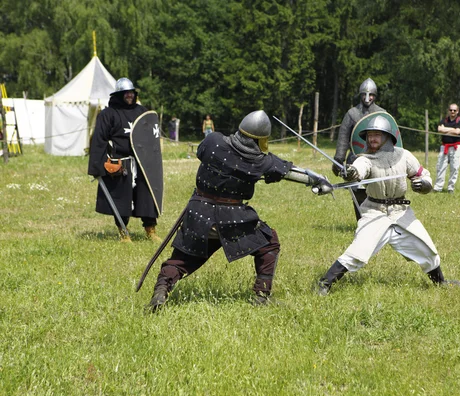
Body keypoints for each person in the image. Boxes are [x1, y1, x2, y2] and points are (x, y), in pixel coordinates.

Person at [147, 110, 332, 311]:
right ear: (260, 139)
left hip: (198, 212)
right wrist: (318, 181)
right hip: (232, 220)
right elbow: (289, 172)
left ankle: (161, 290)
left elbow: (202, 152)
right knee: (270, 244)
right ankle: (261, 296)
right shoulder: (260, 161)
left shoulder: (213, 141)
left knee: (182, 259)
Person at [317, 115, 460, 295]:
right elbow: (359, 170)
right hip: (375, 211)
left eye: (377, 134)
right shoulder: (366, 159)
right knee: (358, 251)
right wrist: (351, 173)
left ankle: (441, 282)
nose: (372, 139)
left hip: (401, 212)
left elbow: (423, 175)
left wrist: (423, 184)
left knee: (426, 248)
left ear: (388, 137)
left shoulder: (404, 156)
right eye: (369, 135)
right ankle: (324, 284)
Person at [88, 77, 162, 243]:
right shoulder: (108, 114)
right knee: (121, 199)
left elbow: (151, 137)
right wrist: (96, 166)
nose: (129, 96)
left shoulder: (142, 112)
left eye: (131, 93)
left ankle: (150, 229)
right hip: (121, 162)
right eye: (125, 93)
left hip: (142, 162)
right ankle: (123, 231)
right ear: (118, 94)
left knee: (147, 197)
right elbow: (99, 140)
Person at [332, 78, 386, 220]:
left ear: (375, 95)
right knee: (358, 193)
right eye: (364, 95)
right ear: (360, 95)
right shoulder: (352, 114)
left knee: (377, 192)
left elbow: (389, 137)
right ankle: (361, 221)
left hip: (376, 160)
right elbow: (343, 137)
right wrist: (339, 158)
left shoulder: (381, 113)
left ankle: (377, 221)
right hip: (355, 159)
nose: (368, 98)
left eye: (371, 95)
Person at [433, 103, 460, 193]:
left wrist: (446, 130)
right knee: (440, 166)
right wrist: (452, 130)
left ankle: (451, 188)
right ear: (448, 111)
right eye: (451, 110)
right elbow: (440, 129)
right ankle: (438, 187)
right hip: (444, 146)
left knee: (454, 168)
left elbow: (458, 132)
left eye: (454, 110)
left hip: (456, 147)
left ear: (457, 111)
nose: (452, 112)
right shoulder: (444, 120)